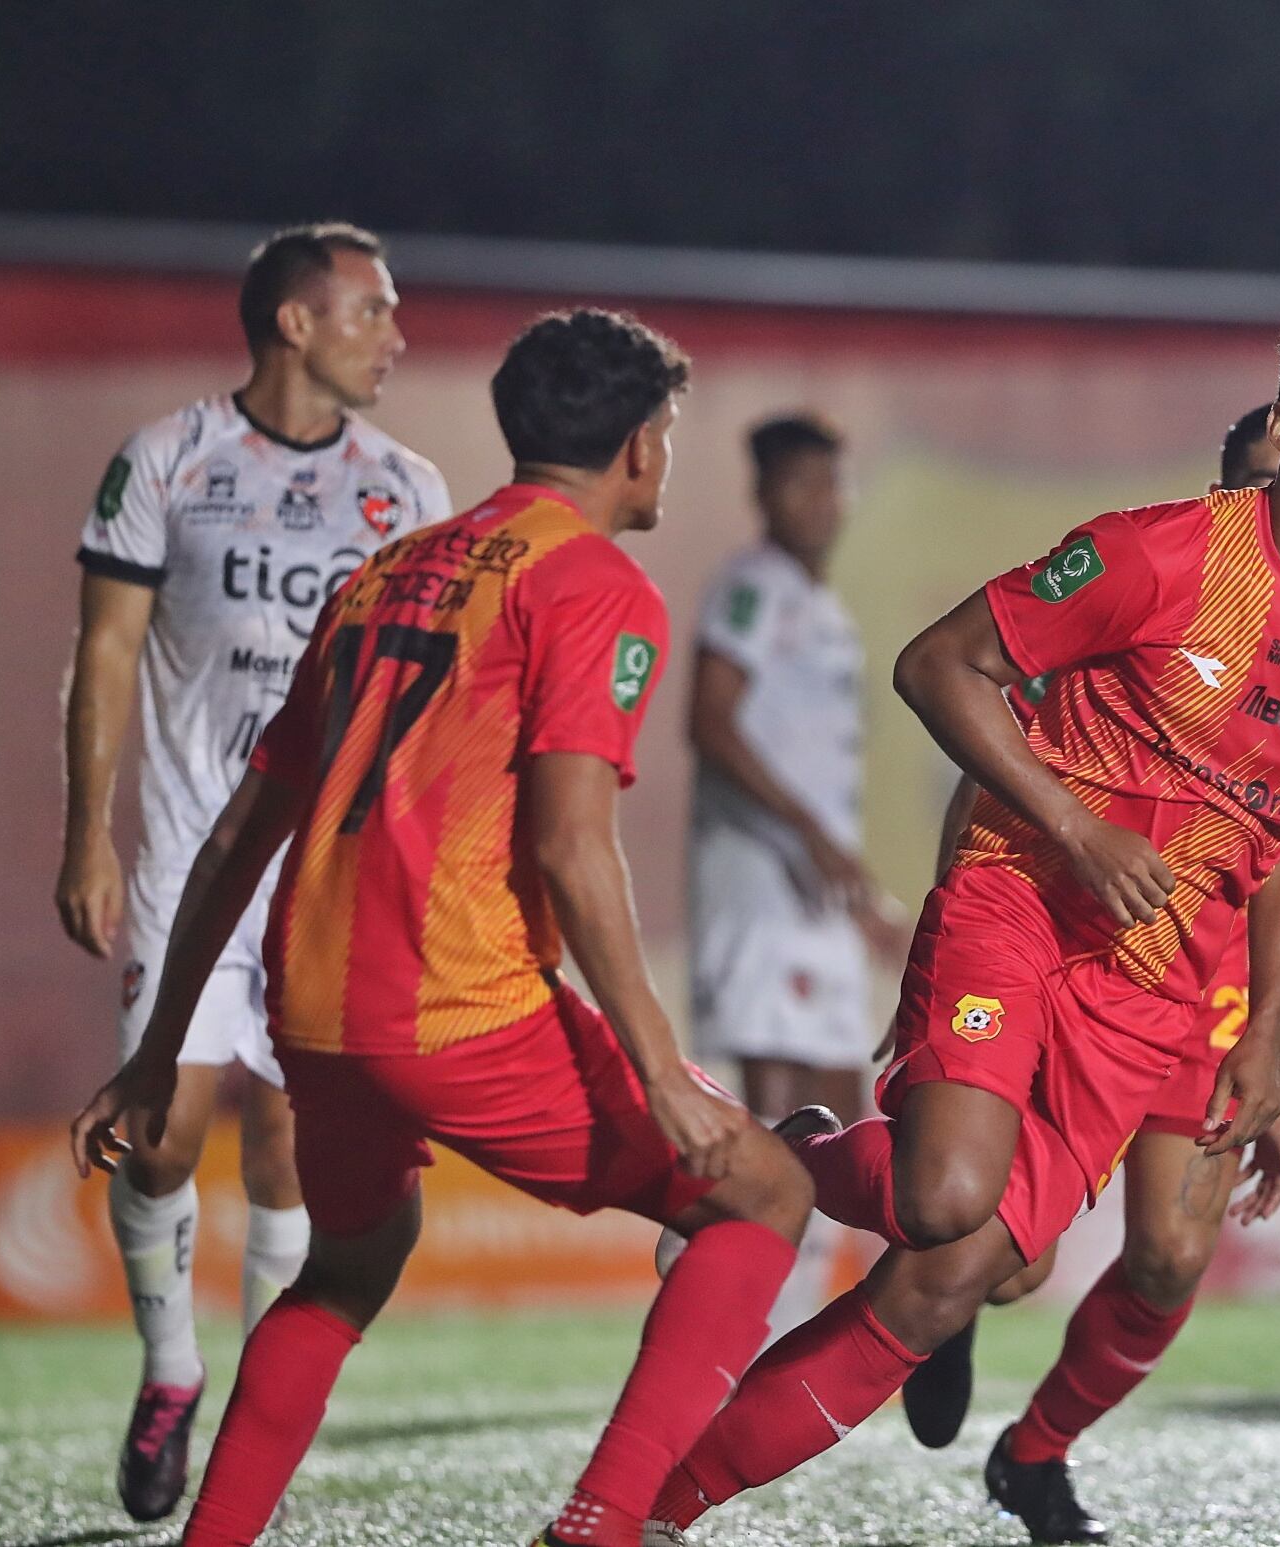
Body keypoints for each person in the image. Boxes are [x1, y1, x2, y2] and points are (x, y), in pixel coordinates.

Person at [642, 301, 1280, 1541]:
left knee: (972, 1271)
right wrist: (1076, 829)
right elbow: (936, 664)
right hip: (1019, 900)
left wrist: (1271, 1046)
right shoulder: (1156, 554)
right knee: (947, 1198)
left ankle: (658, 1508)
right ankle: (769, 1167)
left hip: (1157, 992)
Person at [67, 309, 812, 1547]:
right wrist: (654, 1065)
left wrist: (157, 1048)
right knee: (761, 1192)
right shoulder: (592, 584)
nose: (665, 459)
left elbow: (239, 828)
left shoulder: (385, 569)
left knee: (350, 1266)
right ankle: (603, 1523)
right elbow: (575, 847)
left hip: (309, 1008)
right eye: (667, 434)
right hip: (457, 1005)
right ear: (637, 445)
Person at [885, 404, 1280, 1544]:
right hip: (1077, 938)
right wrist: (949, 952)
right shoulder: (1159, 590)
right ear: (1229, 486)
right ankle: (942, 1293)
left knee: (1170, 1252)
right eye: (1259, 487)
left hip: (1210, 985)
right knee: (1007, 1264)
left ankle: (1036, 1454)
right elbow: (999, 758)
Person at [54, 221, 450, 1521]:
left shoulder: (409, 486)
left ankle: (250, 1419)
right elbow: (107, 653)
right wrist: (86, 830)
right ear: (295, 321)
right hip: (183, 848)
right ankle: (172, 1362)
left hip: (324, 870)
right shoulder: (167, 460)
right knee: (160, 1132)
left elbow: (429, 702)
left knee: (289, 1144)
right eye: (371, 311)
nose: (395, 335)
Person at [683, 413, 903, 1330]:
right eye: (802, 483)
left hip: (815, 898)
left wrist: (851, 888)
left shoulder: (821, 604)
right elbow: (711, 718)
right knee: (781, 1113)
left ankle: (799, 1330)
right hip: (760, 892)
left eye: (833, 481)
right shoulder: (752, 589)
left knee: (842, 1122)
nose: (822, 501)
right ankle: (745, 1331)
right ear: (763, 493)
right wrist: (810, 836)